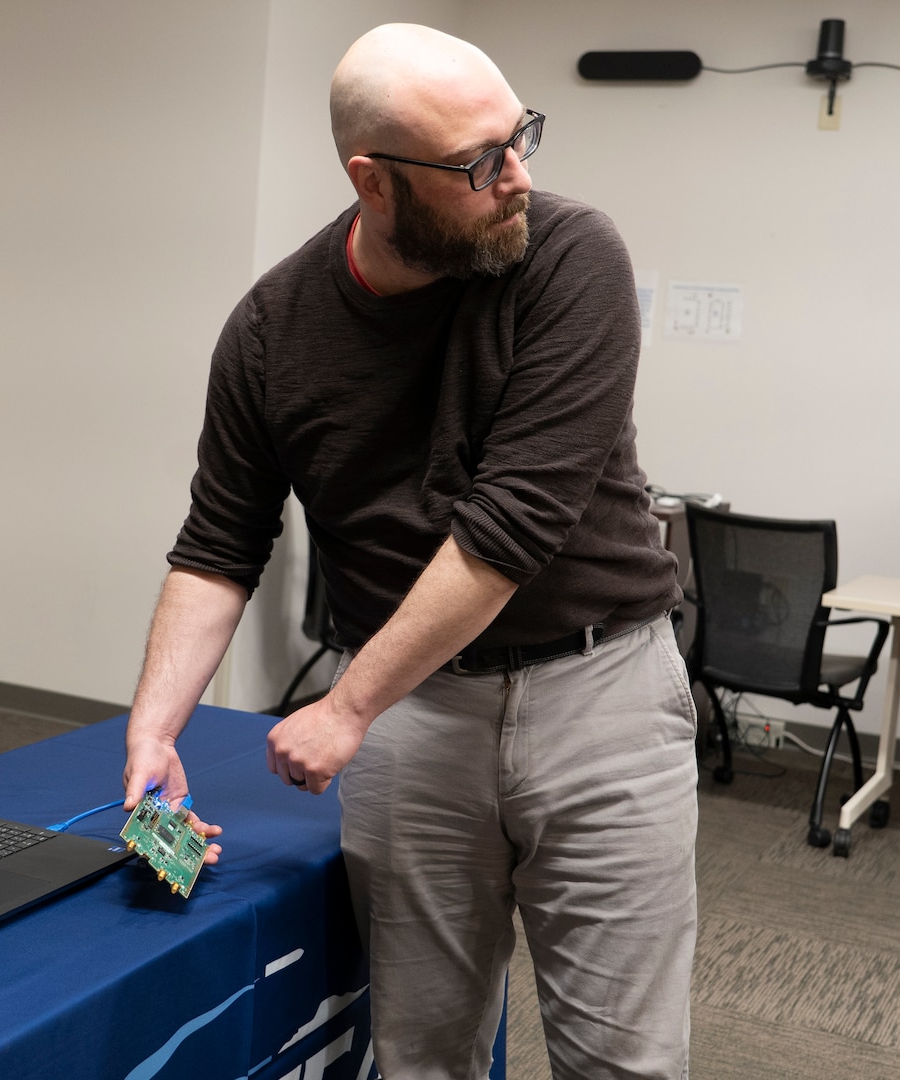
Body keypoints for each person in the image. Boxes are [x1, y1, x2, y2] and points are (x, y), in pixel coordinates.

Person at [121, 22, 696, 1080]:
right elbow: (217, 546)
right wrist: (154, 730)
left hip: (599, 694)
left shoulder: (572, 255)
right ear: (372, 182)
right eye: (478, 163)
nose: (517, 177)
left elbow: (508, 525)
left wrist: (344, 708)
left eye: (519, 137)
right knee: (421, 1055)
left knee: (624, 1063)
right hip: (415, 715)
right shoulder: (270, 331)